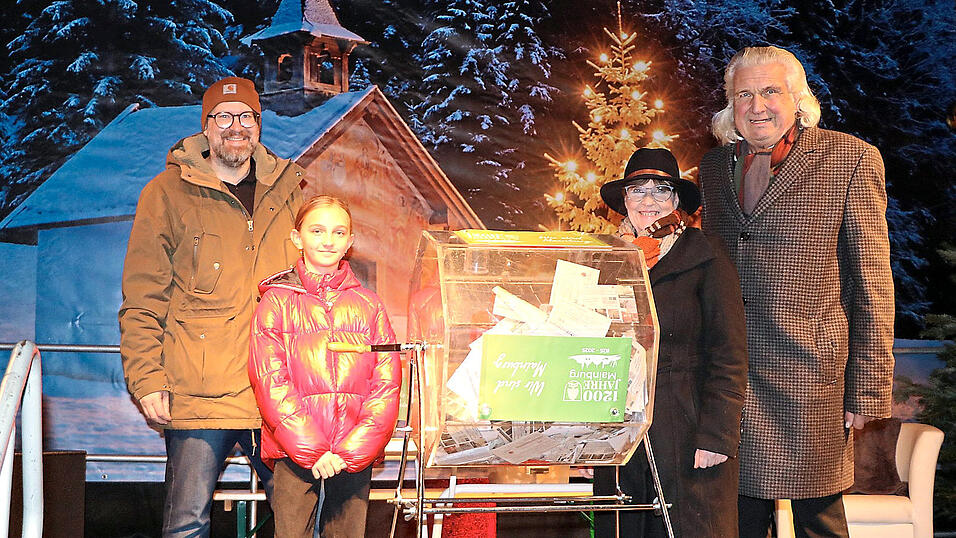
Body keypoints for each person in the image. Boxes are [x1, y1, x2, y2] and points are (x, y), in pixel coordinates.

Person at [698, 46, 895, 537]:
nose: (756, 105)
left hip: (810, 382)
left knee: (819, 522)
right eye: (743, 94)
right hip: (730, 381)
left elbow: (872, 282)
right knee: (734, 522)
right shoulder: (714, 166)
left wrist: (867, 389)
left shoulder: (851, 158)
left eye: (770, 91)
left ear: (798, 98)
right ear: (730, 105)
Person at [119, 76, 304, 537]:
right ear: (206, 126)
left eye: (246, 116)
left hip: (278, 395)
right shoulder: (166, 193)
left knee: (302, 526)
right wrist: (146, 378)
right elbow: (142, 298)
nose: (235, 126)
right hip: (199, 393)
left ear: (259, 124)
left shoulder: (290, 189)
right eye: (223, 117)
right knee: (186, 526)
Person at [593, 147, 749, 537]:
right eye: (637, 190)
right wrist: (585, 441)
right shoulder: (604, 260)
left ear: (676, 200)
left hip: (689, 430)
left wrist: (717, 436)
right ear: (624, 201)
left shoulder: (706, 254)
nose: (648, 200)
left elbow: (729, 354)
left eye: (660, 190)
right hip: (618, 433)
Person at [248, 195, 402, 538]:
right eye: (317, 231)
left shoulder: (369, 305)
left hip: (352, 452)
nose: (328, 240)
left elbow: (386, 384)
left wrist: (354, 449)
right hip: (295, 450)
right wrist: (313, 450)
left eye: (338, 232)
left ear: (349, 242)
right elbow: (270, 380)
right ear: (297, 237)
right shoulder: (277, 301)